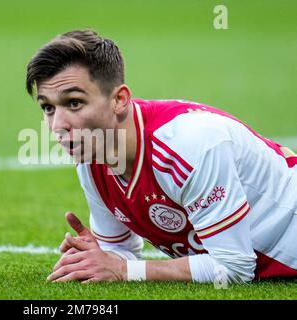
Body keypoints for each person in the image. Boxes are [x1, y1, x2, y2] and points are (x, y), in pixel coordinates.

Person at [25, 30, 297, 283]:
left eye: (74, 103)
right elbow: (119, 250)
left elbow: (235, 268)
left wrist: (123, 270)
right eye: (48, 108)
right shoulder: (92, 159)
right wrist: (97, 258)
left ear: (119, 100)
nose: (58, 124)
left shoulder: (189, 145)